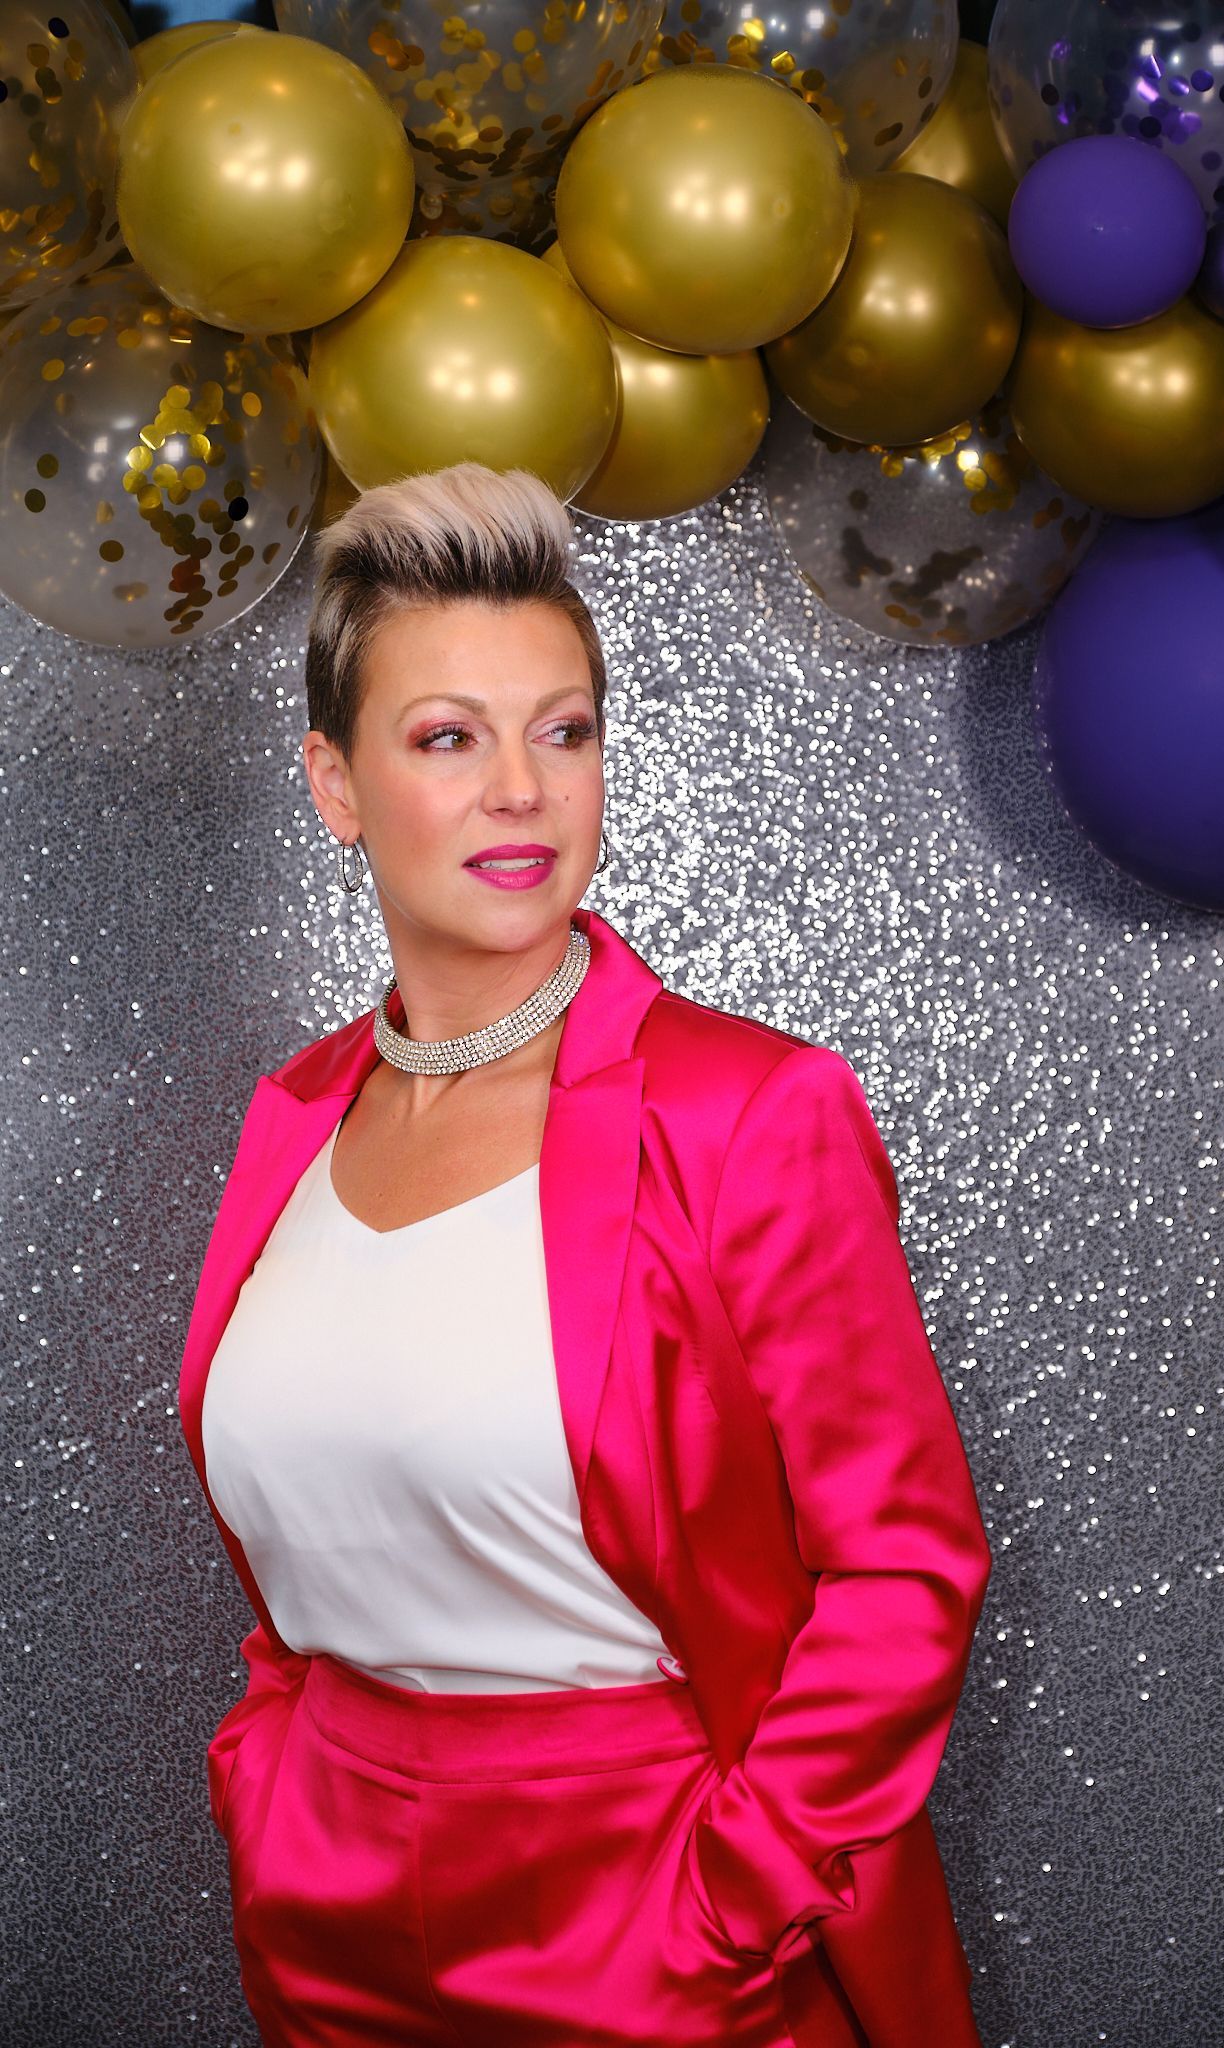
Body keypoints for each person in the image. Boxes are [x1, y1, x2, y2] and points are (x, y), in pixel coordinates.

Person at [176, 461, 993, 2048]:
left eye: (563, 730)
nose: (520, 790)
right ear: (334, 786)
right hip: (325, 1919)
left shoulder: (750, 1109)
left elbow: (901, 1566)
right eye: (444, 738)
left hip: (647, 1917)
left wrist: (724, 1897)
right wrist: (270, 1781)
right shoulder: (290, 1118)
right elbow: (291, 1545)